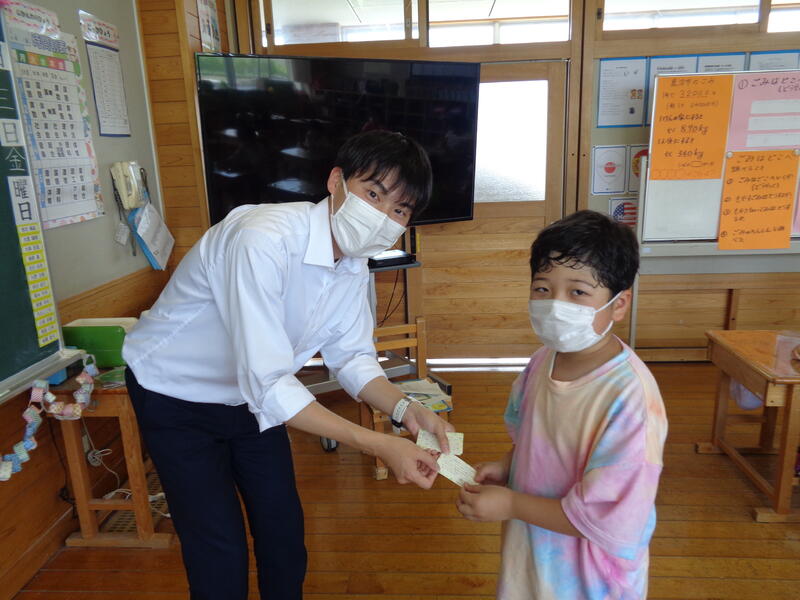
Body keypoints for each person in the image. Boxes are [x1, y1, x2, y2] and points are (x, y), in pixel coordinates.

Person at [122, 130, 453, 600]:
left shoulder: (354, 263)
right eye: (373, 194)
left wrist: (407, 410)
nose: (382, 216)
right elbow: (270, 381)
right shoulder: (263, 238)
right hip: (175, 394)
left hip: (252, 401)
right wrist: (378, 443)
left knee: (283, 536)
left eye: (399, 210)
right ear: (336, 181)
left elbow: (352, 357)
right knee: (218, 551)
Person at [456, 210, 668, 599]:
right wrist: (507, 465)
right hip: (531, 556)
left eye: (578, 292)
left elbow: (608, 516)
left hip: (589, 578)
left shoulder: (630, 398)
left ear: (619, 304)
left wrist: (512, 505)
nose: (555, 304)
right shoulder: (542, 361)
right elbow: (532, 437)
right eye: (542, 288)